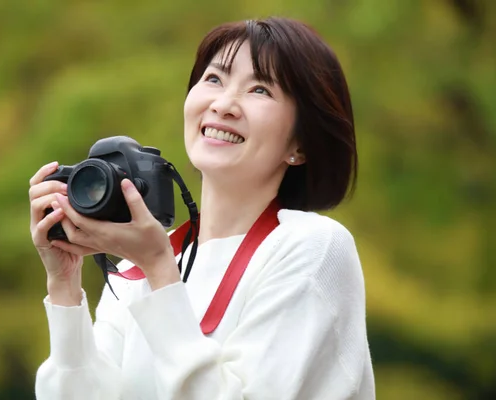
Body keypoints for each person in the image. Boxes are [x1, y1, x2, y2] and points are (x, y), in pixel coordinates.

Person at [29, 16, 375, 400]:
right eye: (214, 79)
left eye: (260, 89)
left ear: (301, 145)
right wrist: (64, 284)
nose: (224, 104)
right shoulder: (133, 269)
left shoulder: (312, 247)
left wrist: (160, 269)